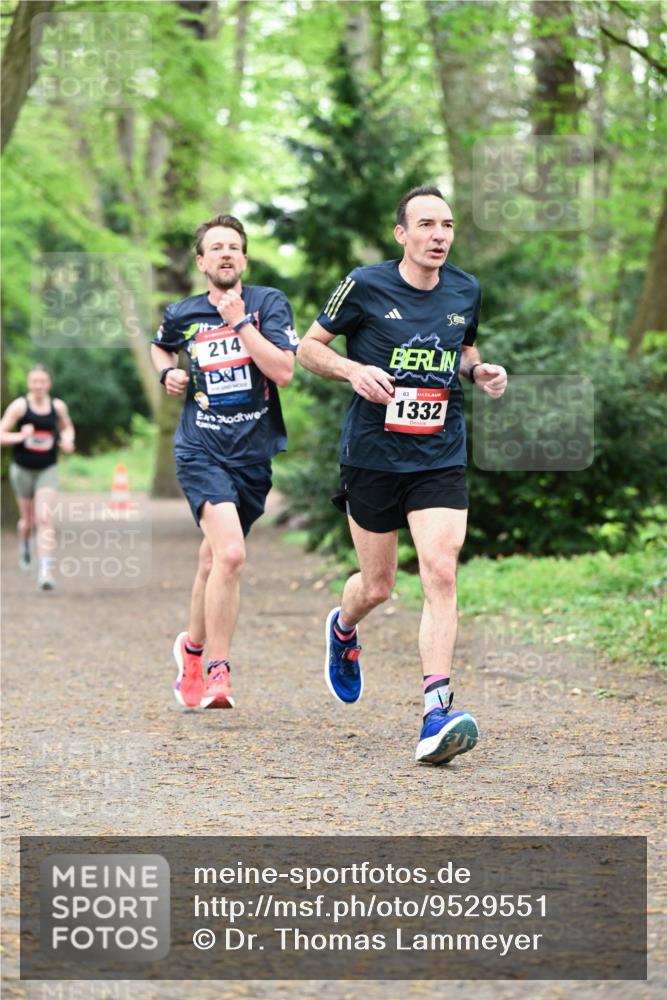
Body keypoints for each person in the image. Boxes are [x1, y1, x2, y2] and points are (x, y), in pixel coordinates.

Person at [297, 185, 508, 765]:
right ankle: (343, 628)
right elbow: (307, 348)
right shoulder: (364, 285)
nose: (439, 235)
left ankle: (436, 712)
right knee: (379, 586)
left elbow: (464, 349)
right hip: (372, 455)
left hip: (439, 454)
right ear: (402, 234)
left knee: (441, 569)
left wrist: (479, 369)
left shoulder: (466, 288)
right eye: (426, 225)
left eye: (447, 225)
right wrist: (351, 370)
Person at [150, 214, 298, 711]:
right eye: (216, 247)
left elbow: (283, 371)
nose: (226, 254)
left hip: (252, 454)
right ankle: (218, 669)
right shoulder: (183, 312)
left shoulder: (268, 304)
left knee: (212, 559)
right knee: (230, 554)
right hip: (201, 448)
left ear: (245, 258)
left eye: (234, 246)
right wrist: (167, 373)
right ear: (201, 261)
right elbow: (160, 346)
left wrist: (238, 323)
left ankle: (190, 649)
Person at [0, 364, 75, 590]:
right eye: (34, 381)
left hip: (47, 469)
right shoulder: (20, 406)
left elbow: (67, 428)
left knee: (44, 518)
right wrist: (20, 436)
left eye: (43, 381)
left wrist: (68, 440)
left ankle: (45, 571)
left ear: (49, 383)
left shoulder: (57, 406)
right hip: (22, 469)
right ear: (28, 383)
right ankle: (25, 543)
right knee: (28, 522)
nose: (39, 386)